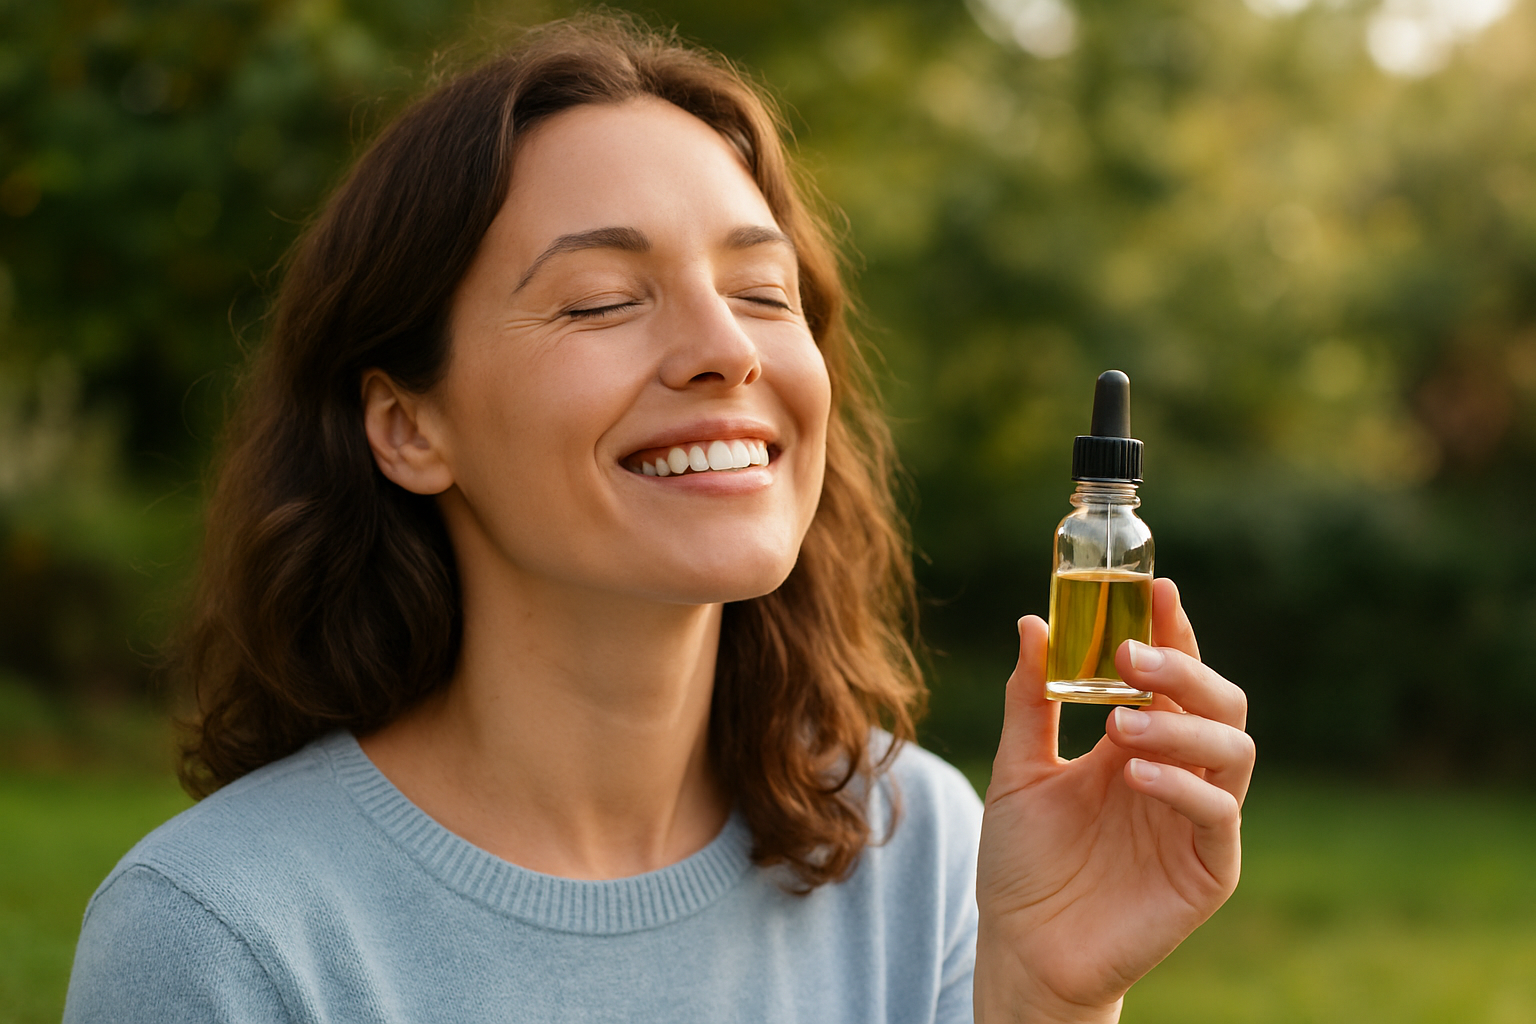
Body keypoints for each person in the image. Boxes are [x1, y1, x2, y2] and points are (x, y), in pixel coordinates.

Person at [64, 15, 1254, 1024]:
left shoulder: (931, 853)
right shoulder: (221, 936)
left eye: (762, 291)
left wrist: (1046, 999)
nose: (727, 349)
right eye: (601, 300)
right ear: (408, 425)